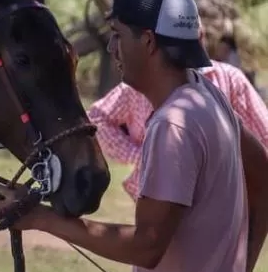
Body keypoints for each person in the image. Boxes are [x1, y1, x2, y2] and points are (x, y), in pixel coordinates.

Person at [0, 0, 268, 272]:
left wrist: (39, 218)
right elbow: (264, 175)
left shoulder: (174, 126)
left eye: (118, 35)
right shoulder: (208, 95)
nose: (110, 47)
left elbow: (147, 246)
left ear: (149, 42)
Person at [89, 22, 268, 201]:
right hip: (158, 200)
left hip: (221, 204)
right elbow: (98, 118)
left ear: (200, 38)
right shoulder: (138, 85)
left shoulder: (229, 79)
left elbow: (265, 134)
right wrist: (138, 155)